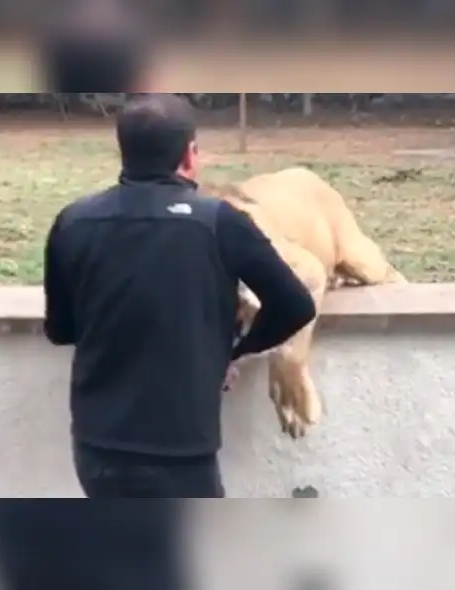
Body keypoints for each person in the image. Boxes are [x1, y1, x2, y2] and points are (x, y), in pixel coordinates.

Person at [43, 93, 317, 498]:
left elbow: (60, 330)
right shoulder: (220, 223)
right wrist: (234, 350)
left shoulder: (73, 221)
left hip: (96, 448)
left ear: (124, 152)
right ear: (190, 154)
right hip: (182, 450)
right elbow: (295, 305)